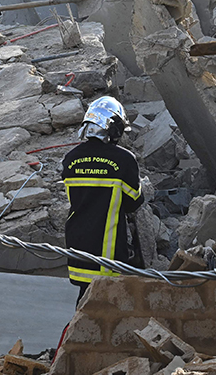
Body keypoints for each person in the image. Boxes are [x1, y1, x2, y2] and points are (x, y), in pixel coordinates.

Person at [61, 96, 142, 304]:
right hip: (109, 250)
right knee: (108, 308)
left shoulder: (70, 158)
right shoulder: (124, 159)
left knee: (84, 303)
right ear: (114, 128)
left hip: (78, 244)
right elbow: (134, 201)